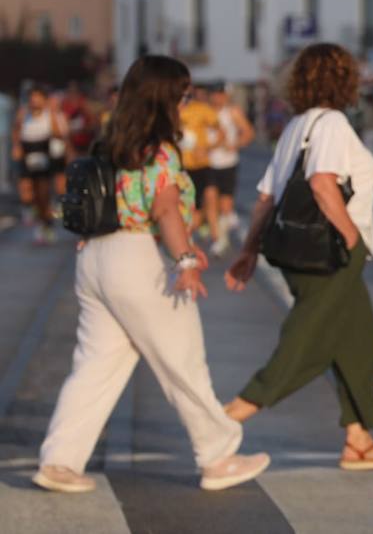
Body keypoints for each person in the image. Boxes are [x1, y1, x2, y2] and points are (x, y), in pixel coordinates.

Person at [33, 55, 270, 494]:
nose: (186, 102)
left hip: (94, 257)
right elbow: (163, 208)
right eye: (182, 95)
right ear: (165, 98)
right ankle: (218, 456)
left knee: (95, 366)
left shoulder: (110, 141)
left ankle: (59, 461)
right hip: (137, 258)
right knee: (183, 361)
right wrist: (184, 261)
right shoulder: (159, 150)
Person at [223, 42, 373, 472]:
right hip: (332, 253)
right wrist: (353, 240)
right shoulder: (334, 124)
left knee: (359, 339)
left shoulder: (296, 126)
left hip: (294, 250)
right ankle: (227, 418)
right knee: (309, 342)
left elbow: (267, 197)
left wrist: (249, 250)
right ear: (344, 81)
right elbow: (323, 185)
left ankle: (359, 439)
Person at [10, 84, 66, 244]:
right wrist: (16, 147)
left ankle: (46, 223)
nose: (34, 101)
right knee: (26, 188)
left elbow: (59, 134)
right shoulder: (23, 114)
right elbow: (16, 132)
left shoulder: (51, 114)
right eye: (32, 98)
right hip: (27, 151)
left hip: (44, 150)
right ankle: (30, 209)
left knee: (43, 192)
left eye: (38, 98)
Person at [207, 83, 256, 253]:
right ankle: (216, 238)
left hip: (228, 162)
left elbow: (248, 132)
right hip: (208, 162)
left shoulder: (232, 112)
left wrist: (236, 144)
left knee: (226, 203)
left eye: (220, 94)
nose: (217, 98)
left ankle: (223, 234)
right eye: (214, 94)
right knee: (210, 198)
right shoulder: (205, 112)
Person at [178, 85, 222, 249]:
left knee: (211, 195)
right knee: (193, 210)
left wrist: (208, 148)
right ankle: (186, 240)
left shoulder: (202, 109)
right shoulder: (172, 112)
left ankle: (216, 238)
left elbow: (221, 132)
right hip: (183, 168)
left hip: (202, 165)